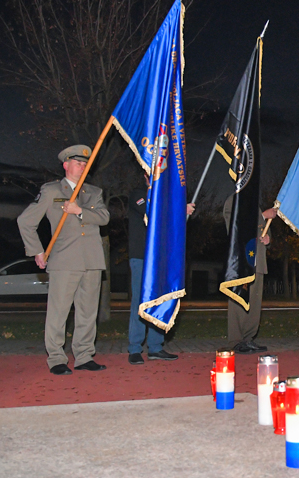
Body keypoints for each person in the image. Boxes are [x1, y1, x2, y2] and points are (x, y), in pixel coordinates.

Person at [17, 144, 110, 375]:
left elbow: (104, 217)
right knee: (59, 312)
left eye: (86, 164)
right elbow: (25, 221)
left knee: (88, 312)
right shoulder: (51, 191)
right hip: (64, 260)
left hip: (92, 260)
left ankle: (84, 355)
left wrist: (79, 211)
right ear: (66, 165)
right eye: (78, 163)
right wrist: (37, 250)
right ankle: (57, 358)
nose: (82, 167)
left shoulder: (94, 192)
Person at [126, 176, 193, 364]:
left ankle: (156, 347)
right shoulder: (138, 194)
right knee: (140, 301)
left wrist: (179, 210)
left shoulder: (167, 197)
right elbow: (150, 210)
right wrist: (179, 208)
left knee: (160, 299)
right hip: (142, 257)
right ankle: (134, 348)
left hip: (162, 257)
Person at [224, 198, 277, 354]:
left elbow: (262, 230)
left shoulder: (254, 202)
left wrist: (268, 240)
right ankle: (236, 340)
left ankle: (248, 338)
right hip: (241, 262)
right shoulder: (234, 200)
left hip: (258, 261)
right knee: (239, 302)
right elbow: (234, 225)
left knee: (254, 304)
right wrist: (262, 215)